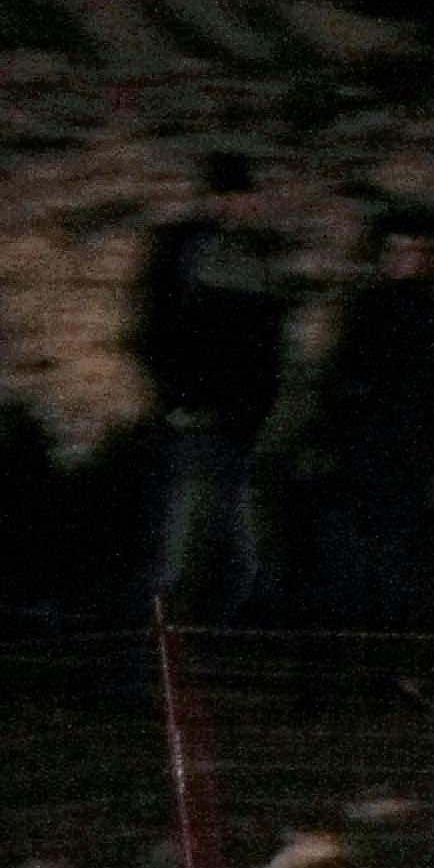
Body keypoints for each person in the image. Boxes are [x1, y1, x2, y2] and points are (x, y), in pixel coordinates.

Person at [302, 209, 434, 698]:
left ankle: (389, 679)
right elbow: (338, 385)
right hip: (359, 464)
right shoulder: (364, 312)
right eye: (396, 250)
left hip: (404, 469)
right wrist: (327, 442)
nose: (404, 260)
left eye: (414, 251)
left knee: (397, 580)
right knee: (344, 575)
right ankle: (330, 679)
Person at [132, 152, 290, 624]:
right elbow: (158, 331)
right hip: (198, 422)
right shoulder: (185, 252)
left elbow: (267, 347)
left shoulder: (256, 260)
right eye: (231, 197)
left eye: (243, 197)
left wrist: (260, 410)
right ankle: (161, 664)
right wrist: (179, 399)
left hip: (238, 427)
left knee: (239, 555)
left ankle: (195, 657)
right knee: (176, 553)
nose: (239, 206)